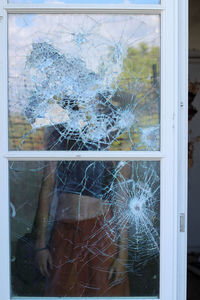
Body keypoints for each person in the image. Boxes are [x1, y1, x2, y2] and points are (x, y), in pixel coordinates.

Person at [34, 144, 131, 297]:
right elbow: (46, 188)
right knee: (63, 291)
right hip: (65, 233)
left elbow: (122, 198)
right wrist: (40, 246)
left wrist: (123, 254)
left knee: (104, 292)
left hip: (102, 235)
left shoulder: (114, 139)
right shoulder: (61, 139)